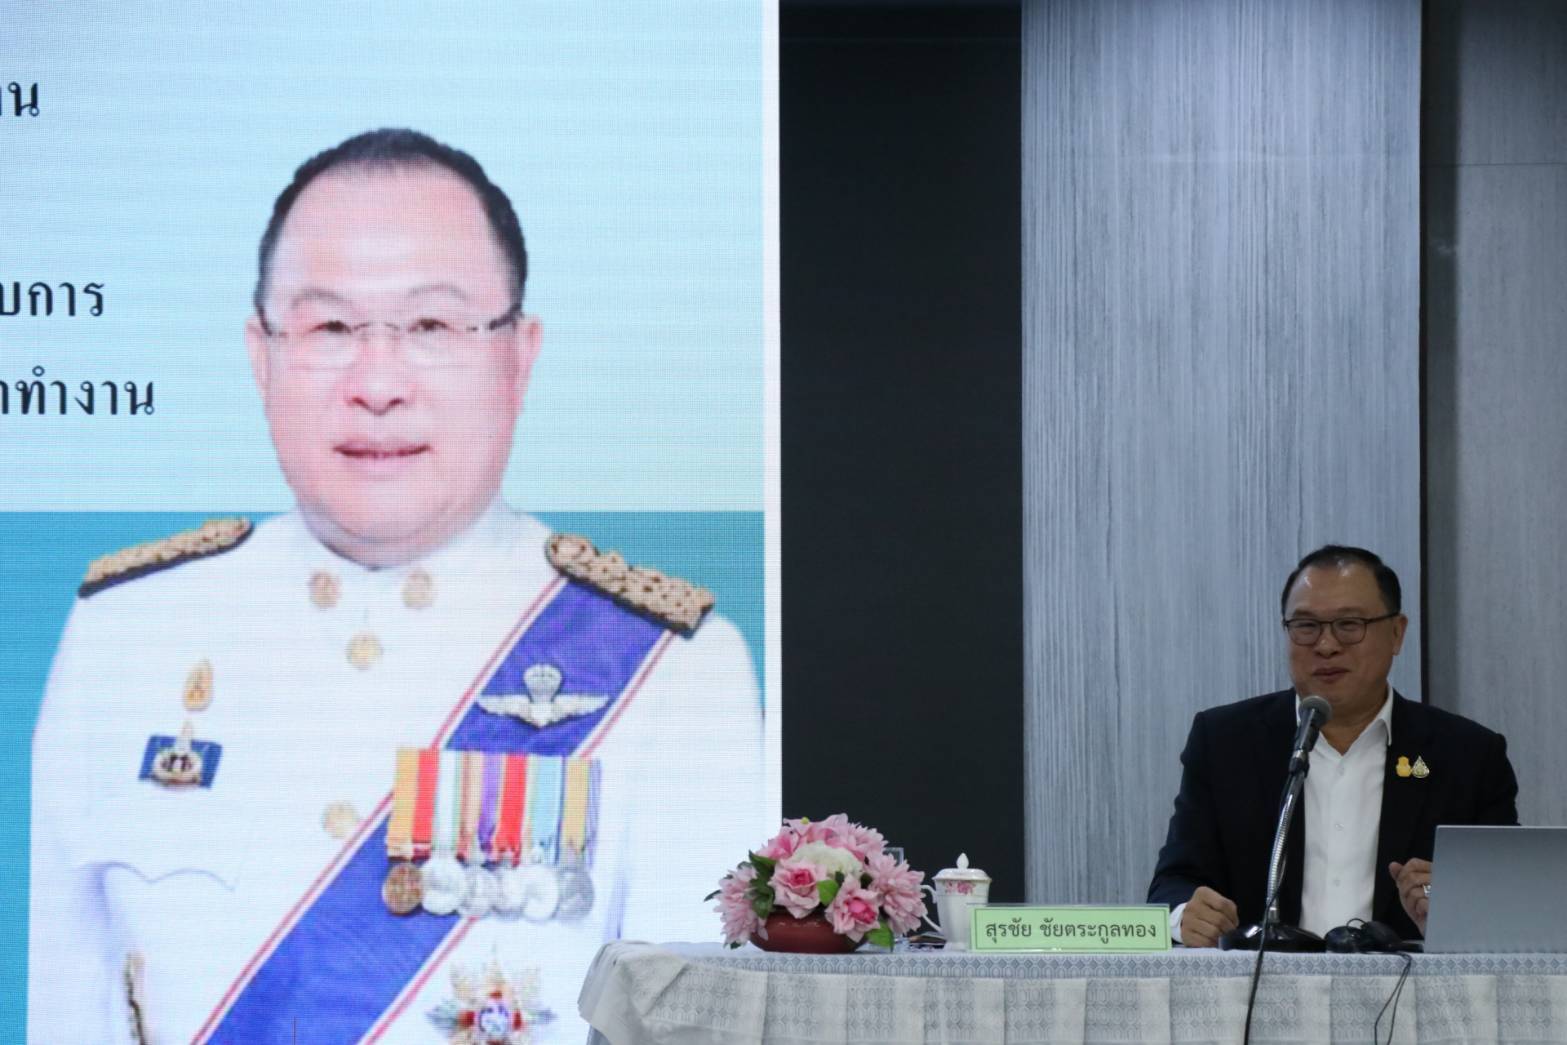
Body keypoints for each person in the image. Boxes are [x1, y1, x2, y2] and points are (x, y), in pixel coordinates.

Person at [29, 129, 768, 1043]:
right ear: (261, 355)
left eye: (432, 327)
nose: (377, 384)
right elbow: (65, 1009)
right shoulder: (126, 633)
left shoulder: (673, 672)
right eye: (329, 328)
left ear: (519, 356)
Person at [1147, 545, 1518, 947]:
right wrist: (1185, 916)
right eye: (1306, 626)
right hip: (1261, 982)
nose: (1326, 645)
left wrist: (1453, 915)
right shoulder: (1225, 742)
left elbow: (1508, 904)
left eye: (1349, 624)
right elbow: (1174, 882)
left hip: (1406, 984)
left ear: (1397, 633)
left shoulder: (1468, 757)